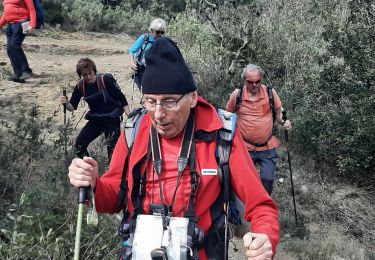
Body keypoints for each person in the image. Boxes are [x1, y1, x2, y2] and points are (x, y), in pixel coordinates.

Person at [68, 38, 279, 260]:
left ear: (192, 98)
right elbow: (112, 198)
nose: (158, 114)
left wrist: (266, 237)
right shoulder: (134, 130)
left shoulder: (221, 134)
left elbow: (261, 205)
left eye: (169, 101)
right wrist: (93, 183)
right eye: (151, 101)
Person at [225, 64, 292, 195]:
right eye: (250, 82)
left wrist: (285, 120)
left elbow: (280, 110)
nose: (254, 85)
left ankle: (263, 207)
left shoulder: (270, 92)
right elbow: (227, 114)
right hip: (244, 147)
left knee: (267, 180)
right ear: (244, 80)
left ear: (261, 79)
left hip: (267, 147)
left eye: (257, 81)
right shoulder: (237, 95)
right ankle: (244, 207)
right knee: (243, 181)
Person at [60, 58, 130, 161]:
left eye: (90, 73)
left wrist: (129, 114)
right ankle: (90, 170)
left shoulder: (104, 81)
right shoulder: (80, 86)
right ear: (81, 75)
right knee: (79, 145)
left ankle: (114, 175)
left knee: (113, 153)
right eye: (85, 75)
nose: (88, 77)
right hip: (96, 120)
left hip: (112, 119)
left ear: (94, 71)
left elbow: (121, 98)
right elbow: (72, 107)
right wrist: (66, 103)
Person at [0, 0, 36, 83]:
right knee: (10, 49)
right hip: (10, 25)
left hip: (21, 22)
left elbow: (31, 9)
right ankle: (18, 74)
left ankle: (26, 71)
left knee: (14, 46)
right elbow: (6, 12)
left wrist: (32, 25)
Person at [128, 18, 166, 90]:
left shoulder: (163, 41)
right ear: (152, 30)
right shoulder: (145, 38)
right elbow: (131, 50)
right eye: (158, 32)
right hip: (143, 69)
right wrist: (132, 62)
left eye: (162, 32)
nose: (160, 34)